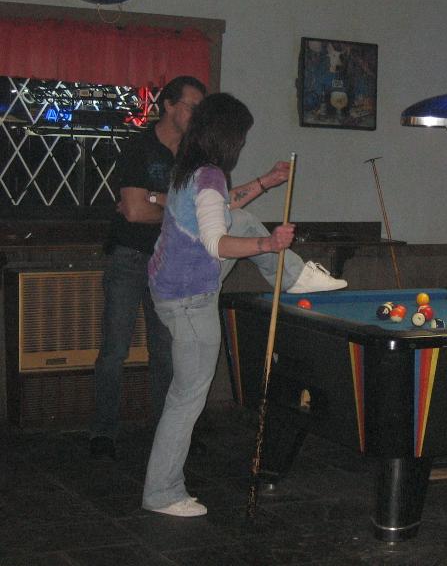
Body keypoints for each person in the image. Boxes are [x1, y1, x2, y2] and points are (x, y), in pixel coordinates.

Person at [90, 76, 345, 461]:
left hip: (172, 261)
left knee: (166, 356)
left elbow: (218, 207)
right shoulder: (140, 147)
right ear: (168, 106)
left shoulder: (195, 157)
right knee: (114, 350)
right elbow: (134, 210)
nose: (197, 113)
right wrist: (176, 212)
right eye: (191, 106)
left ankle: (169, 435)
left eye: (201, 108)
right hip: (132, 258)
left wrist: (264, 182)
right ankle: (104, 432)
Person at [142, 92, 295, 516]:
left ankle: (297, 276)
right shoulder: (208, 175)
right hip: (190, 299)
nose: (242, 143)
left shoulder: (190, 169)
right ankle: (162, 493)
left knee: (240, 218)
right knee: (186, 399)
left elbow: (222, 210)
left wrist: (265, 182)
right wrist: (269, 244)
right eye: (241, 135)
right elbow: (217, 243)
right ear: (227, 136)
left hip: (171, 289)